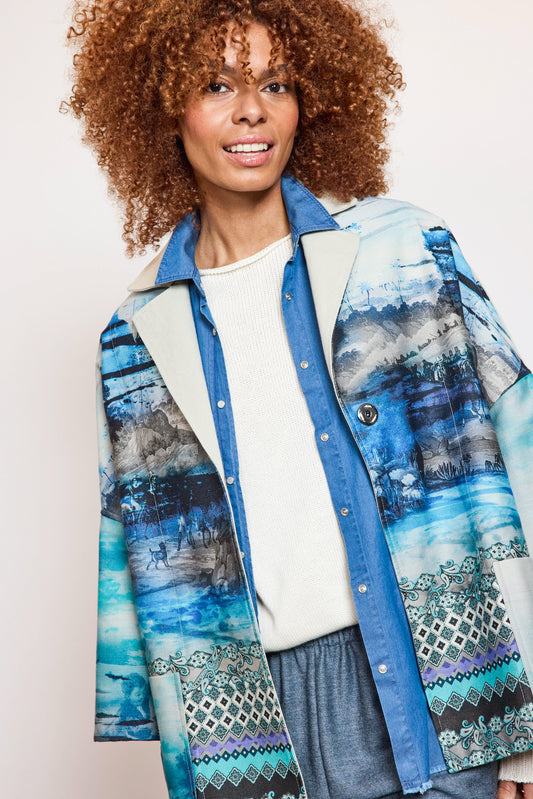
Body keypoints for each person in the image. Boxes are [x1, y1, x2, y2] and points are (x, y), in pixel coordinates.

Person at [62, 1, 533, 797]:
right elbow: (142, 563)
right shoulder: (134, 335)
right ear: (163, 108)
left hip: (445, 681)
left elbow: (519, 452)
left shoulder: (404, 250)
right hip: (252, 722)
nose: (251, 109)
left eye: (275, 83)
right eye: (216, 84)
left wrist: (525, 730)